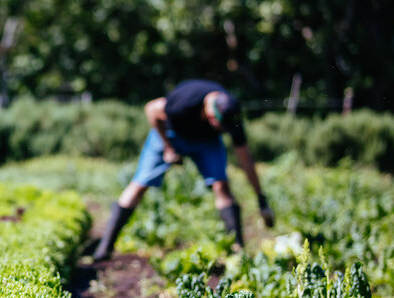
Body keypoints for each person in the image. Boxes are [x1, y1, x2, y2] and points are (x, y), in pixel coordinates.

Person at [93, 79, 275, 260]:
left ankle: (238, 252)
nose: (221, 130)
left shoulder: (231, 116)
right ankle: (105, 247)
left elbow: (246, 160)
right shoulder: (185, 102)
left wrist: (261, 198)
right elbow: (151, 109)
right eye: (218, 126)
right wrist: (168, 148)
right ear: (211, 115)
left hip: (205, 142)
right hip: (170, 134)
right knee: (140, 184)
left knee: (221, 186)